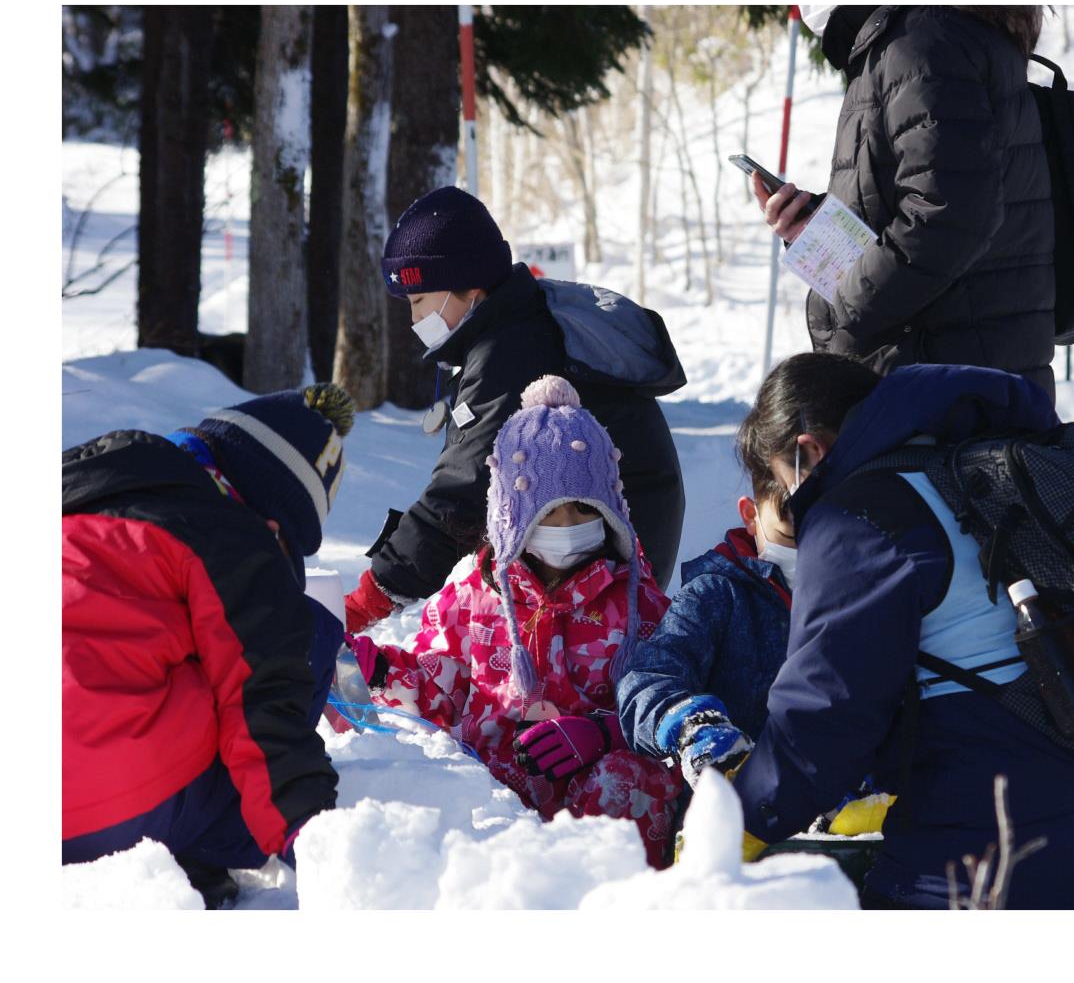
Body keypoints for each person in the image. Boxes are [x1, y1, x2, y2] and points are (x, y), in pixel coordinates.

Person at [725, 352, 1074, 909]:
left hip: (1015, 863)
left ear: (809, 452)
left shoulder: (859, 516)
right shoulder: (1019, 466)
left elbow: (825, 715)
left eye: (785, 484)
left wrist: (737, 823)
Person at [345, 376, 682, 868]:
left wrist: (603, 733)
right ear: (511, 517)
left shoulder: (637, 607)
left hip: (589, 805)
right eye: (548, 516)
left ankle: (609, 898)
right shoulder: (474, 596)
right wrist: (383, 671)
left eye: (581, 513)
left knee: (631, 777)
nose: (566, 531)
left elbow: (665, 702)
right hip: (492, 800)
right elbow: (445, 684)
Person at [345, 186, 687, 634]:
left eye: (419, 302)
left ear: (469, 287)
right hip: (592, 545)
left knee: (548, 686)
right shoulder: (511, 325)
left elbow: (463, 492)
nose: (414, 321)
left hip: (600, 555)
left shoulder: (511, 350)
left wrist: (375, 593)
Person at [63, 384, 355, 908]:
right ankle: (190, 850)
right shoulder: (234, 534)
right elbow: (266, 702)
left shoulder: (78, 496)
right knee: (306, 628)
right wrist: (326, 851)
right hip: (103, 808)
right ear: (271, 517)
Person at [754, 6, 1059, 402]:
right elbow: (929, 202)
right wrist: (813, 231)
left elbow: (948, 218)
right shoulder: (910, 40)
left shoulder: (922, 42)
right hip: (949, 372)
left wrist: (847, 301)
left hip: (939, 387)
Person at [616, 475, 796, 788]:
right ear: (752, 515)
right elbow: (650, 676)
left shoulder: (871, 592)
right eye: (789, 527)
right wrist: (692, 725)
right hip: (733, 806)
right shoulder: (717, 593)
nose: (810, 543)